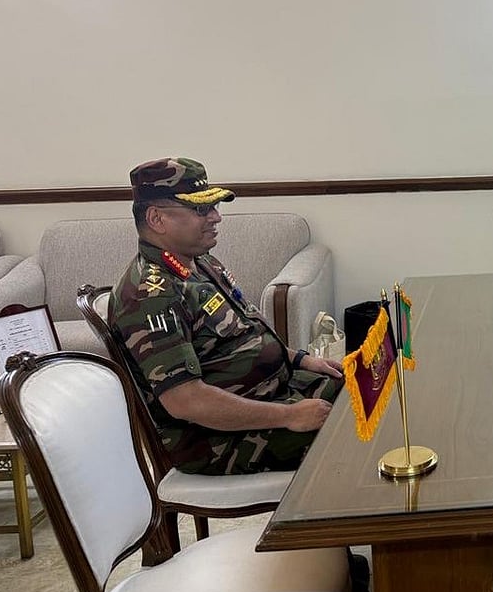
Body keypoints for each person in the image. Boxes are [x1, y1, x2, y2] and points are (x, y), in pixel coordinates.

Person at [110, 157, 345, 476]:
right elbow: (186, 401)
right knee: (353, 436)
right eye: (200, 210)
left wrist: (300, 359)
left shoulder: (200, 262)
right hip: (218, 440)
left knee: (364, 388)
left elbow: (245, 335)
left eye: (214, 206)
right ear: (156, 218)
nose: (216, 217)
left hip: (275, 392)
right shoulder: (150, 295)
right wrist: (288, 417)